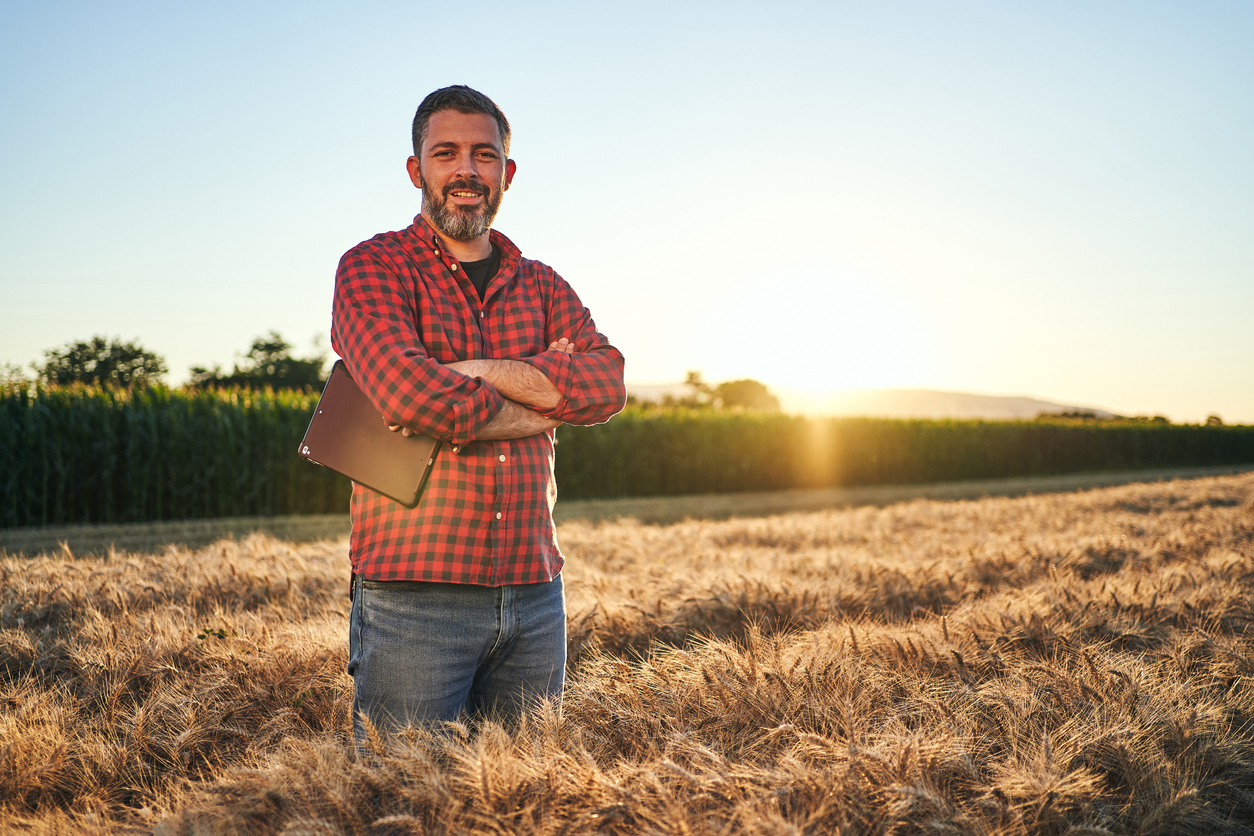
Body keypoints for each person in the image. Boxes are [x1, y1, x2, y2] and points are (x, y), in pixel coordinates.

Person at [330, 85, 626, 741]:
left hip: (535, 596)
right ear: (417, 170)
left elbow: (608, 384)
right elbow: (408, 396)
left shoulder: (545, 283)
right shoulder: (371, 268)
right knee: (404, 804)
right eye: (447, 153)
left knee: (523, 803)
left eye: (484, 156)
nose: (467, 171)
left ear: (507, 173)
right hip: (414, 599)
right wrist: (546, 398)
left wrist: (478, 372)